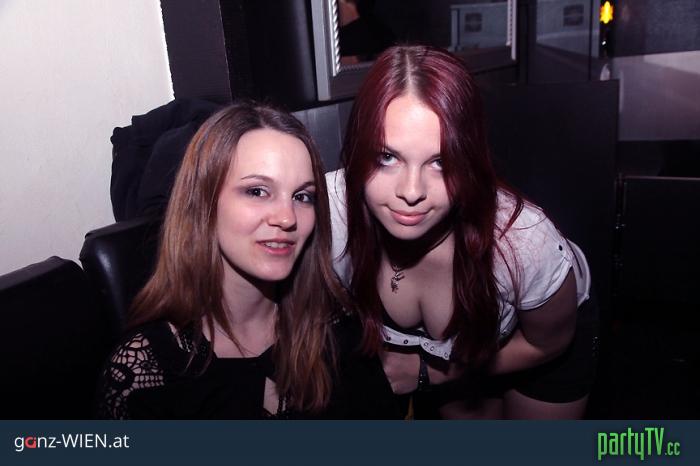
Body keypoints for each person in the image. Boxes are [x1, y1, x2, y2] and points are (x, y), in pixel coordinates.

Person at [327, 45, 598, 419]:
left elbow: (546, 344)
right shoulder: (330, 211)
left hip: (535, 343)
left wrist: (427, 373)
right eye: (387, 157)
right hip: (451, 354)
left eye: (441, 162)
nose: (411, 191)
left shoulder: (522, 242)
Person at [98, 101, 398, 419]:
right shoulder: (144, 374)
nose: (287, 217)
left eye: (302, 196)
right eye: (257, 191)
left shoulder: (337, 326)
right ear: (203, 204)